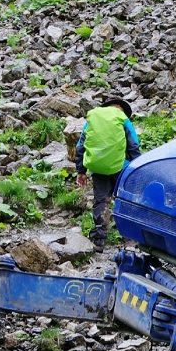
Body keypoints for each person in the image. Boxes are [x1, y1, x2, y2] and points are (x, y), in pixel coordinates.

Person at [75, 96, 140, 250]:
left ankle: (99, 240)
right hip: (120, 167)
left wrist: (81, 171)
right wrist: (136, 167)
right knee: (125, 199)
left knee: (101, 201)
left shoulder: (93, 118)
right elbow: (133, 144)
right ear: (119, 107)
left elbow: (80, 146)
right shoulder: (122, 118)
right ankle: (129, 239)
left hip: (97, 167)